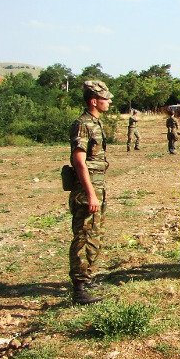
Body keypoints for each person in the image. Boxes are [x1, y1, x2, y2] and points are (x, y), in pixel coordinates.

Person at [68, 80, 112, 305]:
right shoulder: (83, 124)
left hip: (97, 187)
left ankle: (88, 277)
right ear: (94, 101)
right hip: (87, 190)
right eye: (105, 98)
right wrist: (91, 193)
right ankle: (80, 288)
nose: (109, 101)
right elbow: (79, 161)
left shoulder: (95, 122)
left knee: (94, 234)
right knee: (84, 236)